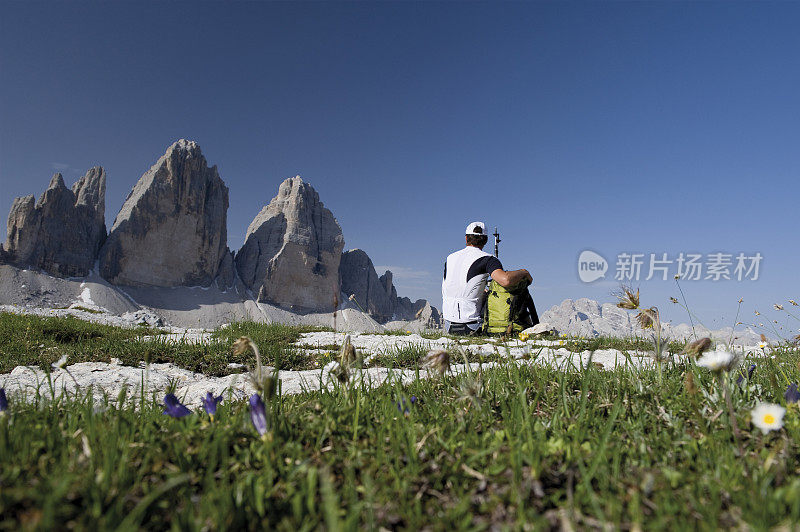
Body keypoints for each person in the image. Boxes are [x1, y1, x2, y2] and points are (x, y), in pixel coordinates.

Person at [441, 221, 532, 335]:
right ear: (485, 240)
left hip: (449, 325)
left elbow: (459, 286)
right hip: (470, 326)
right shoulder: (488, 259)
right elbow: (505, 280)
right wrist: (524, 272)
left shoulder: (450, 258)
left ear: (466, 238)